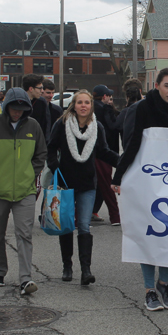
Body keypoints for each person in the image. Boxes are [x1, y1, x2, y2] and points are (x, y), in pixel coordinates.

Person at [111, 67, 168, 311]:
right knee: (148, 235)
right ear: (156, 85)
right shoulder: (141, 109)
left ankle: (164, 284)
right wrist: (119, 175)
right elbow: (132, 143)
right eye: (167, 85)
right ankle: (149, 291)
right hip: (146, 181)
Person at [0, 87, 47, 295]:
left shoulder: (33, 126)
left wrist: (30, 173)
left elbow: (41, 153)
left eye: (21, 109)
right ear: (6, 107)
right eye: (14, 108)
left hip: (25, 190)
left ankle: (26, 278)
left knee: (24, 233)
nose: (17, 112)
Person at [47, 90, 119, 285]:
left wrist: (123, 162)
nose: (83, 106)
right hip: (65, 183)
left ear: (91, 105)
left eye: (87, 102)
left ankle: (86, 270)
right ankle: (67, 266)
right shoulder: (62, 124)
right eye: (80, 102)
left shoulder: (97, 127)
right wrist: (54, 166)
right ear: (74, 105)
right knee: (66, 227)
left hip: (87, 184)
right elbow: (51, 147)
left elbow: (103, 151)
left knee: (84, 226)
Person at [92, 84, 121, 225]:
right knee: (106, 184)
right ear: (105, 97)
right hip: (105, 152)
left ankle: (90, 211)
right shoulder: (104, 109)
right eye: (109, 96)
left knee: (93, 185)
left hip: (90, 151)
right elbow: (113, 126)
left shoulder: (91, 109)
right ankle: (115, 215)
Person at [22, 74, 51, 141]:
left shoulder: (42, 102)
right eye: (40, 88)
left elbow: (46, 124)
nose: (42, 91)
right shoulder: (19, 102)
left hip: (38, 140)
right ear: (31, 89)